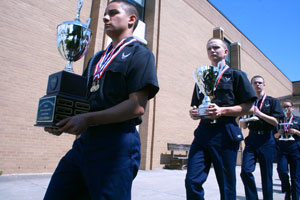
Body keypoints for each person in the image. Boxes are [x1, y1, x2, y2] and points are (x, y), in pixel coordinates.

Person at [43, 0, 159, 199]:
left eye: (113, 13)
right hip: (85, 142)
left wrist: (88, 119)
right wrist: (61, 120)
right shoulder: (96, 60)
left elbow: (137, 106)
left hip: (117, 144)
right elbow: (84, 102)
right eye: (105, 13)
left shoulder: (140, 54)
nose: (106, 17)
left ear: (132, 19)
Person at [185, 38, 257, 200]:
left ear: (225, 52)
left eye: (216, 47)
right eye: (209, 48)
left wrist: (222, 111)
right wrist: (195, 113)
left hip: (225, 133)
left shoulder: (236, 76)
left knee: (226, 186)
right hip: (203, 134)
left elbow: (249, 107)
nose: (212, 51)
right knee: (192, 181)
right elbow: (196, 106)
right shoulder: (202, 76)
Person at [240, 75, 284, 200]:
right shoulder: (249, 102)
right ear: (251, 85)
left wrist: (259, 113)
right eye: (255, 83)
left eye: (260, 83)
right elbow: (243, 126)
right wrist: (244, 116)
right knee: (245, 171)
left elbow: (276, 122)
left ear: (264, 85)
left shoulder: (272, 101)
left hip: (266, 139)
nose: (258, 85)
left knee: (266, 175)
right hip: (252, 139)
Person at [274, 101, 300, 200]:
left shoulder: (298, 120)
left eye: (287, 107)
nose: (285, 109)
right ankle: (287, 189)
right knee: (282, 171)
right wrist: (279, 133)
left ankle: (295, 197)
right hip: (282, 150)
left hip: (295, 149)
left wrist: (296, 131)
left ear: (292, 108)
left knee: (296, 177)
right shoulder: (278, 121)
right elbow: (274, 136)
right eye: (283, 107)